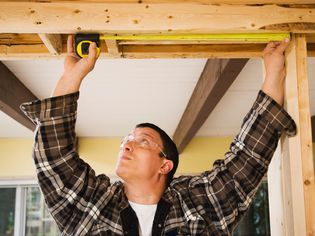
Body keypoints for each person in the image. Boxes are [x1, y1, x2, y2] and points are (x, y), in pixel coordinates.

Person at [21, 35, 296, 236]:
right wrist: (72, 76)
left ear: (165, 165)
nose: (126, 143)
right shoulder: (93, 203)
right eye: (125, 140)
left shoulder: (198, 204)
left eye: (142, 141)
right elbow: (53, 158)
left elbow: (247, 158)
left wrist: (274, 70)